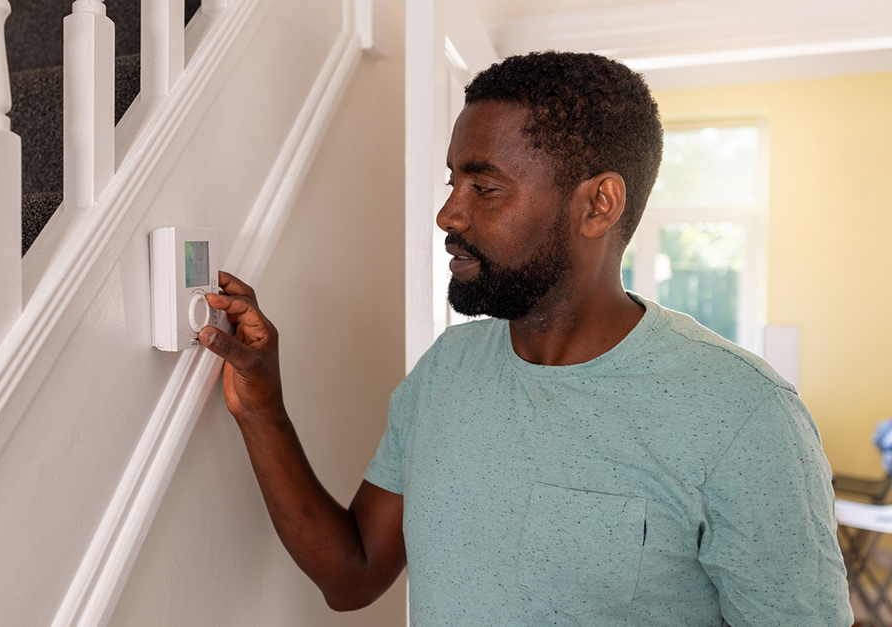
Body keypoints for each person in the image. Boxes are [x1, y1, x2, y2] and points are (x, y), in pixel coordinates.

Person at [196, 51, 851, 625]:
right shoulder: (446, 371)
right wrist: (261, 406)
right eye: (453, 180)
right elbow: (353, 574)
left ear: (598, 205)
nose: (449, 213)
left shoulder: (743, 412)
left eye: (486, 187)